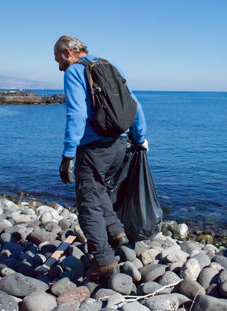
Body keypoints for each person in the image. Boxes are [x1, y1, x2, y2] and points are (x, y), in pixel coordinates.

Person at [54, 35, 147, 280]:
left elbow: (76, 114)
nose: (59, 66)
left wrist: (67, 154)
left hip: (94, 148)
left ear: (67, 52)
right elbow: (134, 104)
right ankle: (118, 234)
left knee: (88, 204)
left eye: (58, 60)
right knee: (101, 191)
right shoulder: (109, 66)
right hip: (119, 143)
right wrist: (138, 137)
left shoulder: (74, 72)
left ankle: (104, 261)